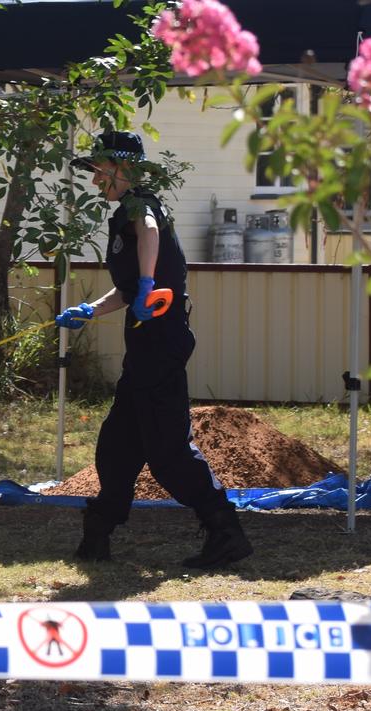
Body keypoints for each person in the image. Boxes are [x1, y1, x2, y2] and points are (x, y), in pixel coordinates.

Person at [56, 131, 252, 570]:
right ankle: (98, 535)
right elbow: (128, 292)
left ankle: (225, 532)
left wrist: (148, 283)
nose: (94, 182)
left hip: (161, 341)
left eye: (98, 172)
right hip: (145, 342)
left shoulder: (139, 204)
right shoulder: (127, 212)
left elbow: (147, 233)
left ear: (119, 169)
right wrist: (90, 309)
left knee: (168, 452)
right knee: (117, 445)